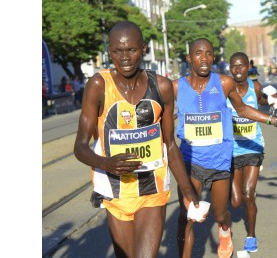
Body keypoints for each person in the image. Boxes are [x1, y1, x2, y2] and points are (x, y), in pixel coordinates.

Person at [74, 20, 201, 258]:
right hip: (114, 190)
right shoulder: (98, 85)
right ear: (109, 51)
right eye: (117, 51)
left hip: (152, 188)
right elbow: (80, 147)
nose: (125, 58)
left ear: (143, 48)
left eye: (131, 50)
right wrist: (106, 163)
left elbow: (170, 144)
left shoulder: (161, 86)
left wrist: (187, 191)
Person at [172, 38, 277, 258]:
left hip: (220, 161)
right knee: (186, 218)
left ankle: (225, 231)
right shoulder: (176, 87)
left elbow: (243, 109)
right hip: (191, 161)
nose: (204, 58)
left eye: (208, 53)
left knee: (221, 214)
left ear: (214, 57)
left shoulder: (225, 83)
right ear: (189, 58)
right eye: (198, 53)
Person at [227, 52, 270, 253]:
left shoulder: (255, 87)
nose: (238, 70)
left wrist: (274, 100)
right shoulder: (225, 89)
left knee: (247, 193)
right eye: (234, 66)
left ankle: (251, 235)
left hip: (253, 146)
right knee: (235, 202)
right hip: (231, 148)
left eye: (241, 66)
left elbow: (262, 101)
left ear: (248, 67)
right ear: (230, 68)